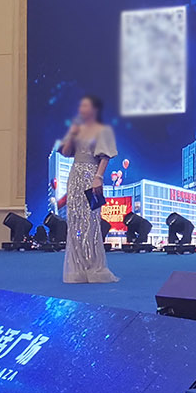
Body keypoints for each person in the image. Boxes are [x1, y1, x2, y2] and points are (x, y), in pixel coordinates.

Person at [58, 94, 119, 284]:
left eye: (85, 106)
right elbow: (66, 152)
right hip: (75, 175)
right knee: (74, 220)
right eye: (81, 106)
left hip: (91, 175)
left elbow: (105, 156)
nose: (81, 109)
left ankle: (94, 267)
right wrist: (72, 134)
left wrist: (98, 177)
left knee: (91, 221)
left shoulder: (103, 130)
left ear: (94, 109)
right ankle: (78, 268)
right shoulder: (76, 129)